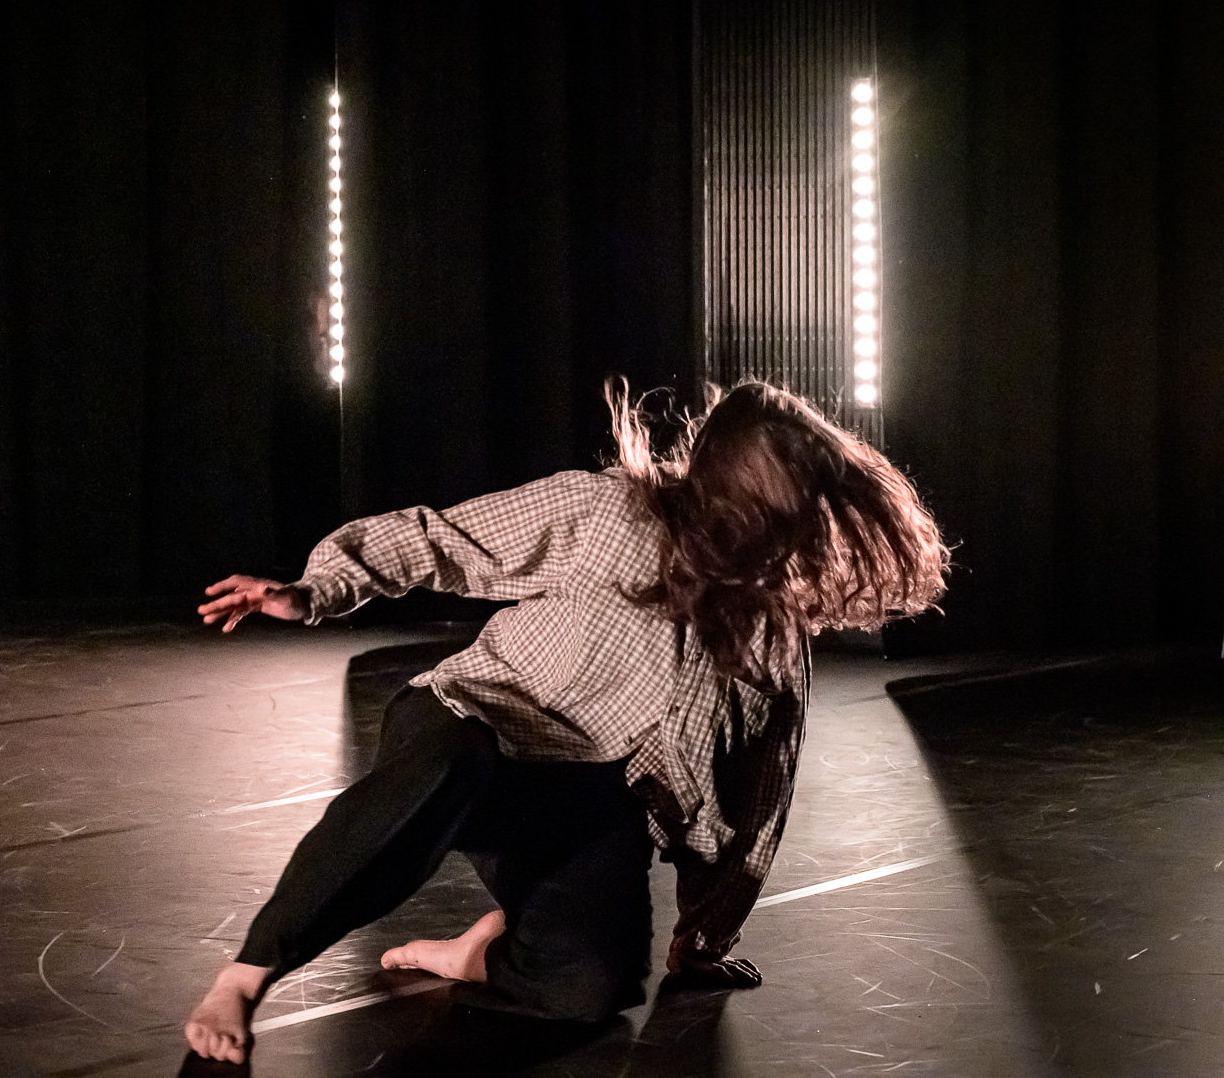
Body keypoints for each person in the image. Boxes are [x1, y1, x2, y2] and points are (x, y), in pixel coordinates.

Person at [185, 381, 948, 1064]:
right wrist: (311, 591)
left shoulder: (772, 631)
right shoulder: (608, 511)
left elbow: (760, 794)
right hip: (479, 725)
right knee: (444, 767)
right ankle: (248, 973)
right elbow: (437, 538)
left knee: (586, 989)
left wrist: (704, 935)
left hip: (578, 808)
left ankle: (478, 951)